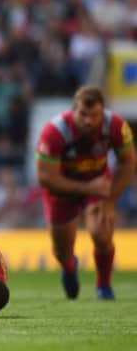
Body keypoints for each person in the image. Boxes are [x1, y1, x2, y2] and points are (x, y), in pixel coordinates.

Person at [35, 86, 135, 300]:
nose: (89, 121)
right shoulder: (54, 132)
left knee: (102, 234)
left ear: (103, 112)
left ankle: (104, 286)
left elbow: (128, 162)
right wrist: (88, 188)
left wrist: (110, 200)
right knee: (61, 250)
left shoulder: (116, 126)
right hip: (61, 189)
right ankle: (69, 266)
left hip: (97, 185)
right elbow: (46, 178)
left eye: (95, 115)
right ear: (73, 111)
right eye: (83, 114)